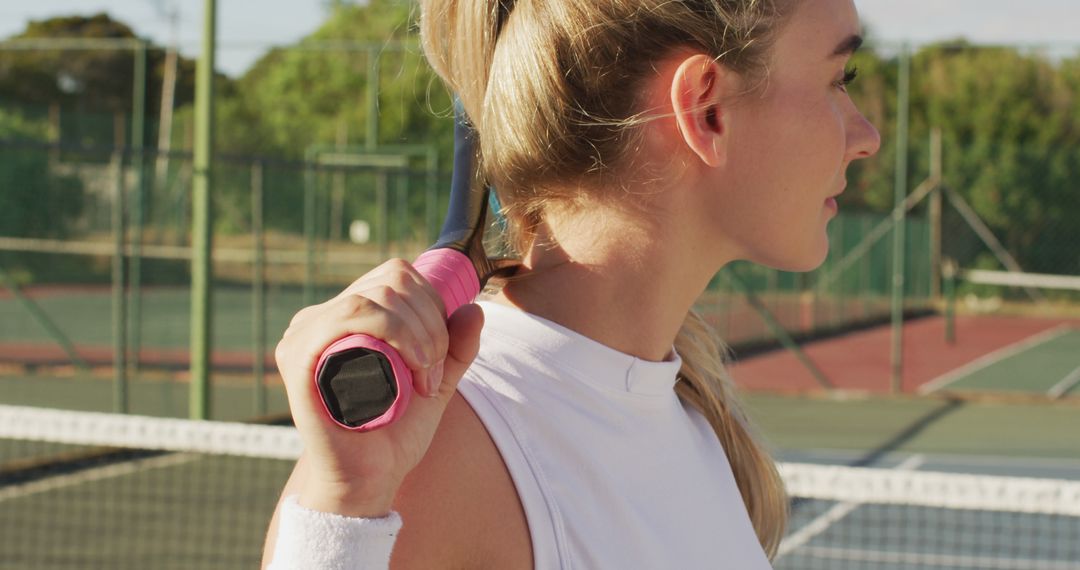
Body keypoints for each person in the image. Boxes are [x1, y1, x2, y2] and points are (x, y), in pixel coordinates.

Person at [263, 0, 880, 567]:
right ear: (705, 109)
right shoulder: (439, 458)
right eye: (838, 80)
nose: (866, 138)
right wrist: (348, 501)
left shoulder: (691, 413)